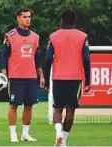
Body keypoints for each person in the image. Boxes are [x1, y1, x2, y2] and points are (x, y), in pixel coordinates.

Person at [44, 9, 91, 146]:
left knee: (57, 108)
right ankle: (63, 140)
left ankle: (58, 133)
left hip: (58, 78)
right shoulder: (82, 36)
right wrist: (87, 80)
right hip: (75, 79)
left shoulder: (53, 36)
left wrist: (46, 81)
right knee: (71, 110)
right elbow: (87, 60)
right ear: (74, 21)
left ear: (62, 20)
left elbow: (47, 59)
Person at [1, 7, 45, 142]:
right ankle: (13, 134)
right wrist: (4, 74)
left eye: (29, 17)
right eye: (25, 17)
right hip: (15, 77)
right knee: (13, 105)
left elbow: (36, 58)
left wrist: (41, 75)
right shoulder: (10, 35)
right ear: (18, 18)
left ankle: (25, 134)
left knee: (29, 105)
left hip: (31, 77)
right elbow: (3, 56)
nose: (28, 19)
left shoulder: (35, 37)